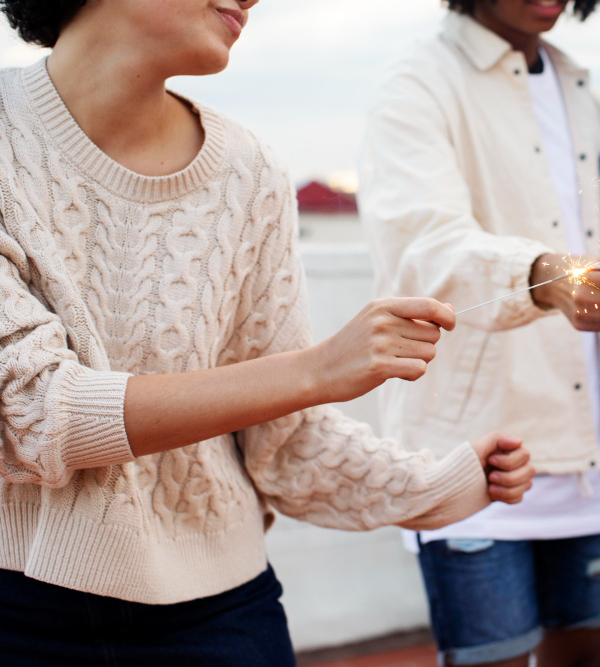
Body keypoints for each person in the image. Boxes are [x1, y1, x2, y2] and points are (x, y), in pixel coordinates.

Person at [0, 1, 536, 665]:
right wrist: (318, 370)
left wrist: (438, 483)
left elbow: (283, 440)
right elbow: (34, 412)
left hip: (221, 615)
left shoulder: (248, 173)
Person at [358, 1, 600, 665]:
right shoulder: (416, 83)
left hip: (591, 456)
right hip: (476, 455)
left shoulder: (579, 88)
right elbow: (421, 249)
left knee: (587, 657)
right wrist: (541, 274)